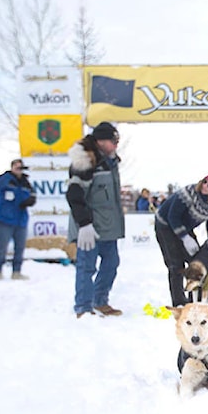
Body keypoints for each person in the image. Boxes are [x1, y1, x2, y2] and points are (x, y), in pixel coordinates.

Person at [65, 121, 125, 318]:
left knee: (111, 263)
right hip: (89, 226)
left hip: (108, 227)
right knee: (87, 266)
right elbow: (74, 194)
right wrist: (84, 224)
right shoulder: (85, 160)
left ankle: (100, 300)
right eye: (113, 141)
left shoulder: (110, 161)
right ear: (101, 140)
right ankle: (82, 307)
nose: (116, 145)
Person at [155, 171, 208, 307]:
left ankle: (198, 298)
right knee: (175, 264)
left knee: (197, 261)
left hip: (185, 227)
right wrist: (185, 238)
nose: (205, 186)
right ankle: (179, 302)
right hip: (165, 225)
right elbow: (173, 217)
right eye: (204, 181)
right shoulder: (188, 193)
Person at [0, 158, 36, 280]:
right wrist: (9, 174)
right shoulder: (6, 179)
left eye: (20, 167)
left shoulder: (25, 182)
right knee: (2, 247)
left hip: (20, 219)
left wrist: (30, 200)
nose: (19, 170)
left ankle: (16, 271)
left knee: (19, 248)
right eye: (16, 167)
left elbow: (32, 194)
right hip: (5, 218)